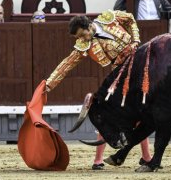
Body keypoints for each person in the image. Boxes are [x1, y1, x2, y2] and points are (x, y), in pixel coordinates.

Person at [44, 10, 152, 171]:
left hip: (140, 64)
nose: (83, 39)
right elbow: (67, 64)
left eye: (83, 34)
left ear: (89, 26)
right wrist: (49, 84)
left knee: (140, 114)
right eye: (79, 37)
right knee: (106, 115)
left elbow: (129, 18)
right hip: (120, 73)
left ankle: (147, 157)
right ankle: (98, 160)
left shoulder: (108, 18)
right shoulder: (84, 45)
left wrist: (136, 39)